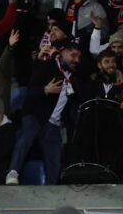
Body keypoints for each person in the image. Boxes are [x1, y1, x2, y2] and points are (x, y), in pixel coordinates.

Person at [5, 44, 83, 185]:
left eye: (78, 57)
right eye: (73, 55)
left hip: (54, 125)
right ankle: (12, 172)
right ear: (62, 53)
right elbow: (30, 90)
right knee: (26, 136)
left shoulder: (75, 76)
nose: (76, 60)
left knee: (55, 161)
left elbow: (79, 93)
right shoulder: (47, 66)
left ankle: (52, 190)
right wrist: (45, 90)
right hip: (36, 115)